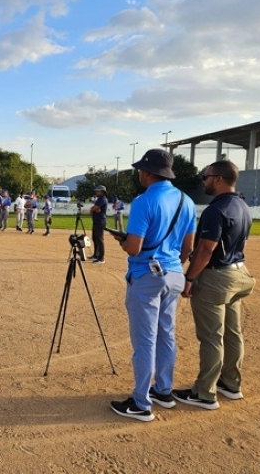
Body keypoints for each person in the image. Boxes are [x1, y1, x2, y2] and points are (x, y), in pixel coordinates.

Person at [109, 148, 196, 422]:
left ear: (148, 172)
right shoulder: (187, 200)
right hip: (173, 273)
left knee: (145, 340)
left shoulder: (144, 201)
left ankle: (141, 403)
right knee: (166, 334)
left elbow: (134, 248)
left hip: (147, 275)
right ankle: (164, 391)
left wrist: (122, 241)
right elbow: (189, 247)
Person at [173, 161, 256, 410]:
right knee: (232, 333)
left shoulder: (215, 209)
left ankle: (204, 393)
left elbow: (206, 249)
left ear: (218, 179)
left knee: (211, 337)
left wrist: (189, 278)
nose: (203, 181)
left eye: (205, 176)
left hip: (216, 277)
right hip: (239, 272)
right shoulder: (243, 206)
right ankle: (230, 384)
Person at [90, 185, 108, 264]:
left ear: (102, 192)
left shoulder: (102, 199)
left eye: (98, 191)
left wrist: (94, 209)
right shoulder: (99, 199)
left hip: (100, 221)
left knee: (100, 239)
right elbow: (94, 209)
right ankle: (96, 255)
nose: (96, 192)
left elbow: (93, 208)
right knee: (94, 238)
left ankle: (101, 258)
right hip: (96, 220)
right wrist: (94, 209)